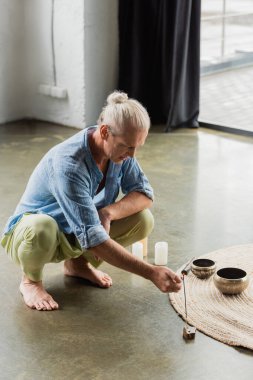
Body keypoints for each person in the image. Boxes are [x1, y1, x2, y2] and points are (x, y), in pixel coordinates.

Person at [1, 91, 182, 311]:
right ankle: (30, 281)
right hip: (32, 236)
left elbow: (144, 194)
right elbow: (93, 237)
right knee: (42, 227)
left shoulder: (119, 152)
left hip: (78, 231)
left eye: (137, 147)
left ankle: (78, 264)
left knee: (142, 220)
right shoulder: (69, 164)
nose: (132, 155)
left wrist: (108, 213)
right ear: (105, 131)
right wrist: (151, 272)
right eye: (128, 146)